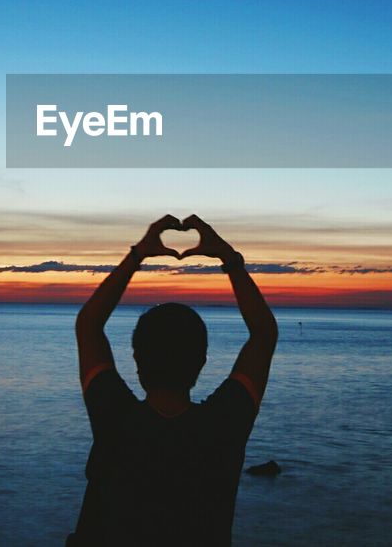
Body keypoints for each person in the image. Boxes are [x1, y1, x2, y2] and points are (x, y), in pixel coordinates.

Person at [68, 214, 278, 546]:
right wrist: (228, 258)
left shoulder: (115, 419)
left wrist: (138, 255)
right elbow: (264, 334)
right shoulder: (223, 427)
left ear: (137, 360)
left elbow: (88, 325)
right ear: (202, 362)